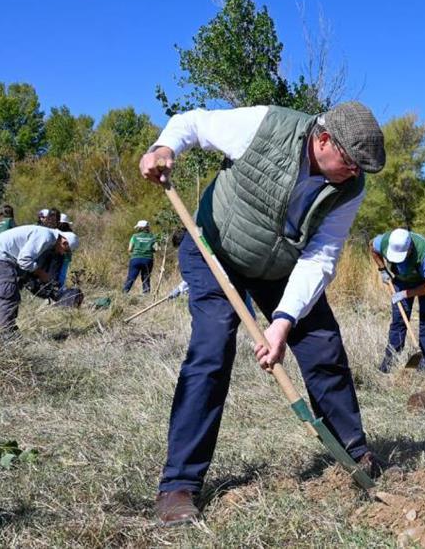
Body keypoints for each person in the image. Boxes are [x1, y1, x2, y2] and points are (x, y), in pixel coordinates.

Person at [138, 100, 386, 526]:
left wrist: (283, 322)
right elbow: (192, 123)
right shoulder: (265, 126)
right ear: (323, 140)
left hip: (280, 268)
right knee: (211, 349)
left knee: (322, 344)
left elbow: (320, 257)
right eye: (350, 162)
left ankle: (352, 451)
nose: (355, 174)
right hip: (215, 250)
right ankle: (178, 484)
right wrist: (165, 148)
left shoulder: (350, 186)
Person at [0, 224, 79, 337]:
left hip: (3, 256)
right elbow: (24, 260)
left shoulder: (49, 237)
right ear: (64, 242)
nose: (62, 253)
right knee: (9, 293)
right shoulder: (46, 236)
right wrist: (41, 273)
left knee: (13, 295)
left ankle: (9, 330)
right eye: (65, 250)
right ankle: (4, 334)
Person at [370, 228, 425, 372]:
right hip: (401, 281)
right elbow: (372, 247)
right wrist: (382, 269)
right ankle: (390, 362)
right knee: (398, 322)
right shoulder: (383, 242)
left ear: (410, 249)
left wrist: (405, 294)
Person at [124, 220, 158, 294]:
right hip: (148, 259)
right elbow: (156, 249)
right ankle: (146, 295)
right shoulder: (153, 236)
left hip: (135, 259)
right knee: (146, 278)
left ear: (140, 228)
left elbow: (130, 249)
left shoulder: (134, 236)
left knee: (131, 278)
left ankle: (124, 293)